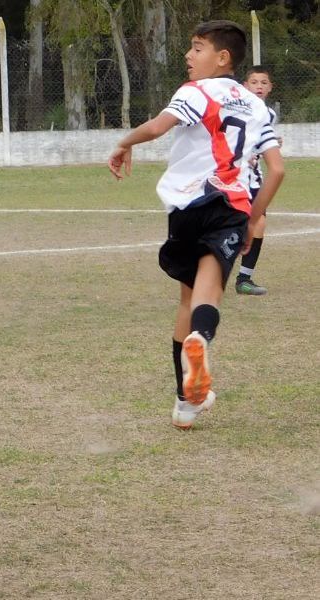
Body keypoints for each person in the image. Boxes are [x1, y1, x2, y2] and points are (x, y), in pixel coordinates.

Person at [107, 20, 284, 430]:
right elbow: (276, 171)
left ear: (222, 58)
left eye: (198, 47)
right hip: (232, 209)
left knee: (187, 300)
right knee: (207, 296)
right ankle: (201, 343)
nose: (189, 55)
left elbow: (155, 128)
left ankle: (185, 405)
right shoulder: (258, 106)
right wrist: (252, 220)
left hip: (187, 207)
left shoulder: (195, 92)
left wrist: (122, 144)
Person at [235, 65, 279, 296]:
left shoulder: (269, 115)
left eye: (264, 83)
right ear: (244, 87)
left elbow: (261, 143)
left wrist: (268, 147)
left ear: (270, 88)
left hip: (253, 179)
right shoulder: (233, 109)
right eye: (254, 82)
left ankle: (244, 278)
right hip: (229, 177)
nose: (259, 86)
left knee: (259, 223)